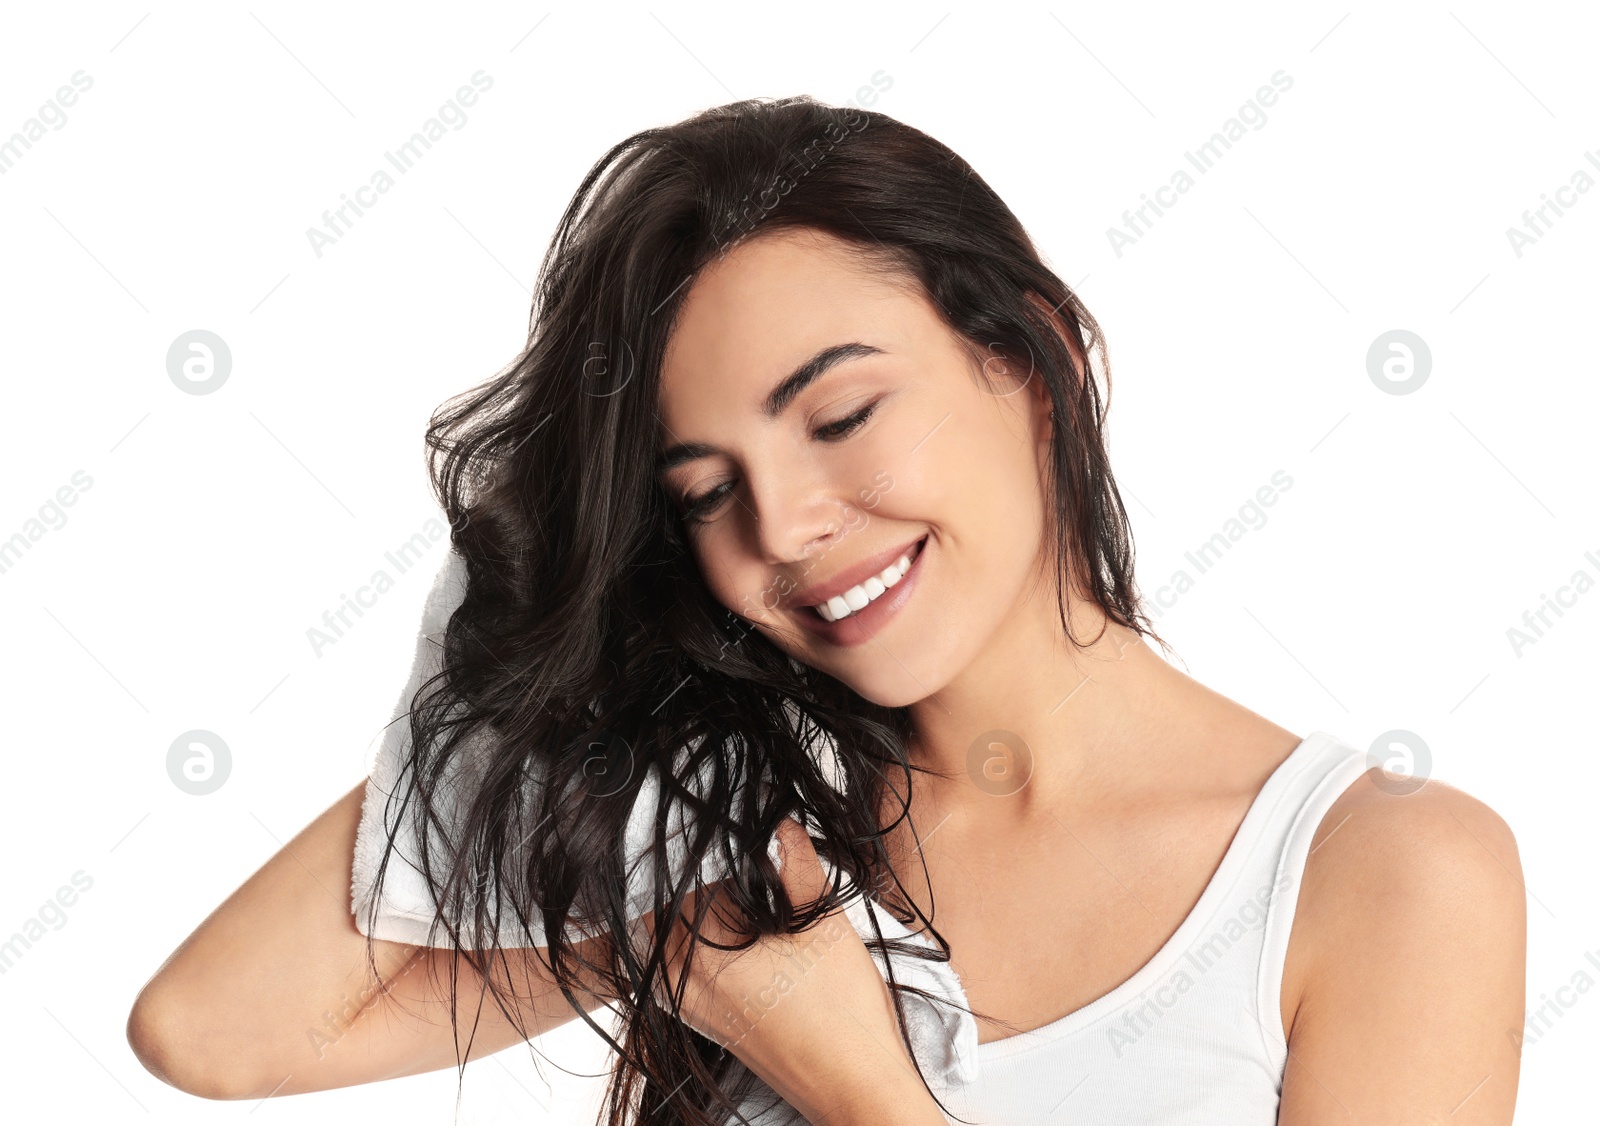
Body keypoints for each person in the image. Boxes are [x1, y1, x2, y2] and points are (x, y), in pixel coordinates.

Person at [126, 96, 1527, 1125]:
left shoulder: (1382, 881)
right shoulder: (744, 845)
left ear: (1029, 358)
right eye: (698, 492)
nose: (785, 527)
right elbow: (214, 1028)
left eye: (842, 413)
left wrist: (860, 1088)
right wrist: (558, 608)